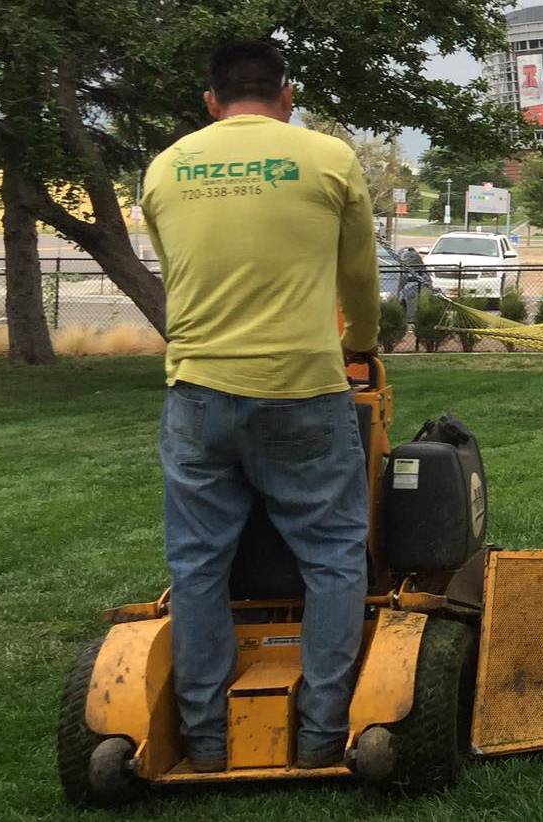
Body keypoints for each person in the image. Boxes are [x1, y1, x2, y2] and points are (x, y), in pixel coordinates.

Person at [142, 40, 380, 772]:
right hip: (303, 388)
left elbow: (177, 272)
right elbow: (359, 273)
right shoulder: (329, 160)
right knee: (335, 555)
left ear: (211, 101)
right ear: (287, 96)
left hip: (197, 393)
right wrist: (362, 346)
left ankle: (207, 744)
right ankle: (317, 739)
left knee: (197, 564)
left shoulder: (164, 168)